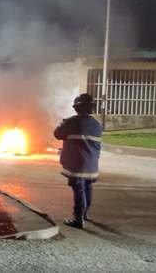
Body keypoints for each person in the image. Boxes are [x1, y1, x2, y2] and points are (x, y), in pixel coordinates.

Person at [54, 93, 102, 229]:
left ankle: (78, 219)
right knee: (87, 187)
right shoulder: (97, 124)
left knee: (79, 189)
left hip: (77, 163)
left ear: (77, 108)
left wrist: (62, 124)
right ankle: (84, 214)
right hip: (91, 163)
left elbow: (57, 134)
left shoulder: (72, 121)